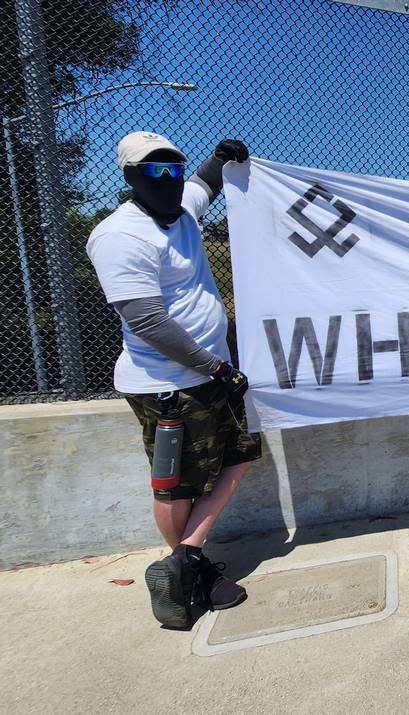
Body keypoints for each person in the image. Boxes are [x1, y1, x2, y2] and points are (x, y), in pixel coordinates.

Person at [86, 131, 258, 629]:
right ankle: (190, 575)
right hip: (167, 384)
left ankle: (184, 560)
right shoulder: (120, 236)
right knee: (176, 485)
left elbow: (206, 182)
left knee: (243, 454)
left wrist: (223, 157)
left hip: (215, 377)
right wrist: (215, 367)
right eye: (153, 170)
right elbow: (146, 321)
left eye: (172, 168)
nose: (168, 178)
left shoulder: (184, 208)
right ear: (130, 177)